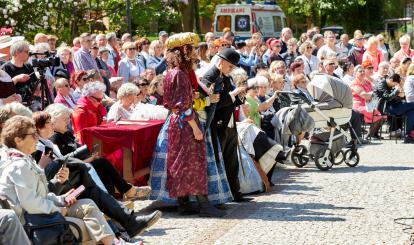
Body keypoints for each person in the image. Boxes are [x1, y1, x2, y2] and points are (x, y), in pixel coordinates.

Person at [0, 116, 119, 245]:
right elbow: (31, 204)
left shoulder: (24, 160)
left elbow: (39, 196)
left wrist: (61, 200)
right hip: (35, 222)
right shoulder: (18, 166)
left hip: (39, 214)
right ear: (18, 140)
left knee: (87, 204)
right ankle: (113, 241)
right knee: (87, 224)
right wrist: (57, 209)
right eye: (32, 134)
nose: (37, 137)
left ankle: (114, 242)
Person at [161, 32, 227, 217]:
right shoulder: (180, 74)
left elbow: (170, 102)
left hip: (176, 123)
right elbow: (183, 107)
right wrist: (196, 129)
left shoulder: (170, 73)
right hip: (185, 125)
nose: (195, 53)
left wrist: (193, 95)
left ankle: (183, 204)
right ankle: (204, 206)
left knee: (180, 163)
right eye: (192, 49)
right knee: (195, 163)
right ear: (184, 50)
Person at [202, 48, 249, 202]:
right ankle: (218, 196)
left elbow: (229, 100)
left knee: (231, 160)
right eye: (230, 66)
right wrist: (233, 95)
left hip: (229, 123)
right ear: (221, 62)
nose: (231, 70)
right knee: (218, 161)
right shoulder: (210, 76)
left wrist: (240, 97)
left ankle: (234, 192)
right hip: (217, 124)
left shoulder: (226, 77)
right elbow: (210, 103)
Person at [374, 73, 414, 143]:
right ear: (391, 80)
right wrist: (396, 90)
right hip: (386, 108)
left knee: (411, 112)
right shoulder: (381, 84)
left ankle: (408, 136)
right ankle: (408, 135)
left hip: (396, 106)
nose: (395, 85)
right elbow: (387, 97)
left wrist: (401, 93)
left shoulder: (391, 85)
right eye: (395, 84)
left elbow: (400, 96)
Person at [350, 65, 383, 139]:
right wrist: (373, 95)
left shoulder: (367, 81)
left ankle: (372, 134)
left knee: (383, 116)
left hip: (369, 103)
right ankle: (369, 136)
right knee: (378, 115)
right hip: (358, 106)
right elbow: (364, 95)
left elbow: (375, 91)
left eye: (363, 71)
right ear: (355, 73)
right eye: (360, 71)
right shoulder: (354, 83)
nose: (362, 72)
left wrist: (372, 94)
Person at [1, 40, 37, 105]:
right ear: (17, 53)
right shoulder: (5, 68)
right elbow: (4, 89)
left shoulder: (28, 66)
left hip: (30, 103)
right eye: (26, 52)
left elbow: (35, 85)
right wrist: (17, 79)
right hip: (15, 105)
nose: (29, 54)